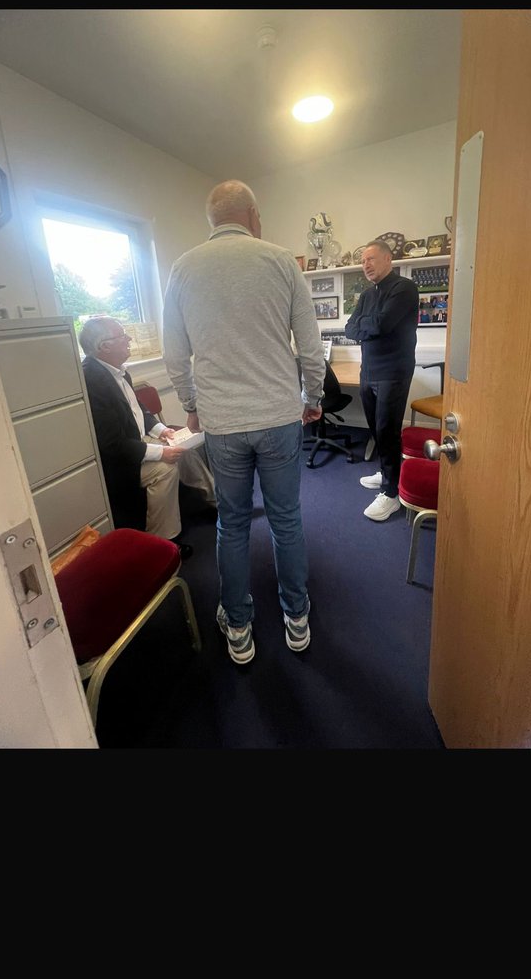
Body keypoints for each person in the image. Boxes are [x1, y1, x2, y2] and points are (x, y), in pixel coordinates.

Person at [162, 180, 326, 664]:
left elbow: (175, 356)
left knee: (231, 524)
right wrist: (312, 397)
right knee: (286, 520)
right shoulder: (280, 260)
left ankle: (238, 626)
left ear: (212, 220)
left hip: (222, 422)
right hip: (278, 416)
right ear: (253, 214)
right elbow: (310, 348)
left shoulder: (183, 268)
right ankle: (297, 617)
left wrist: (192, 404)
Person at [79, 316, 216, 557]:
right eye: (122, 336)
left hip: (137, 442)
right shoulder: (91, 381)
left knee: (184, 450)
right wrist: (162, 452)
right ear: (104, 347)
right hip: (119, 460)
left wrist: (162, 431)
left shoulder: (117, 371)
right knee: (165, 469)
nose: (129, 339)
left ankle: (216, 504)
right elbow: (112, 445)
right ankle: (162, 543)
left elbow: (139, 411)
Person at [344, 240, 419, 521]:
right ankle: (387, 471)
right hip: (369, 371)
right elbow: (350, 327)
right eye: (363, 261)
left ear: (388, 259)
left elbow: (382, 325)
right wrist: (367, 325)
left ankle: (391, 495)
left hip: (394, 371)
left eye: (371, 259)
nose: (366, 265)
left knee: (388, 429)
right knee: (375, 427)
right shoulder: (367, 295)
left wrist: (367, 325)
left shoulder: (404, 288)